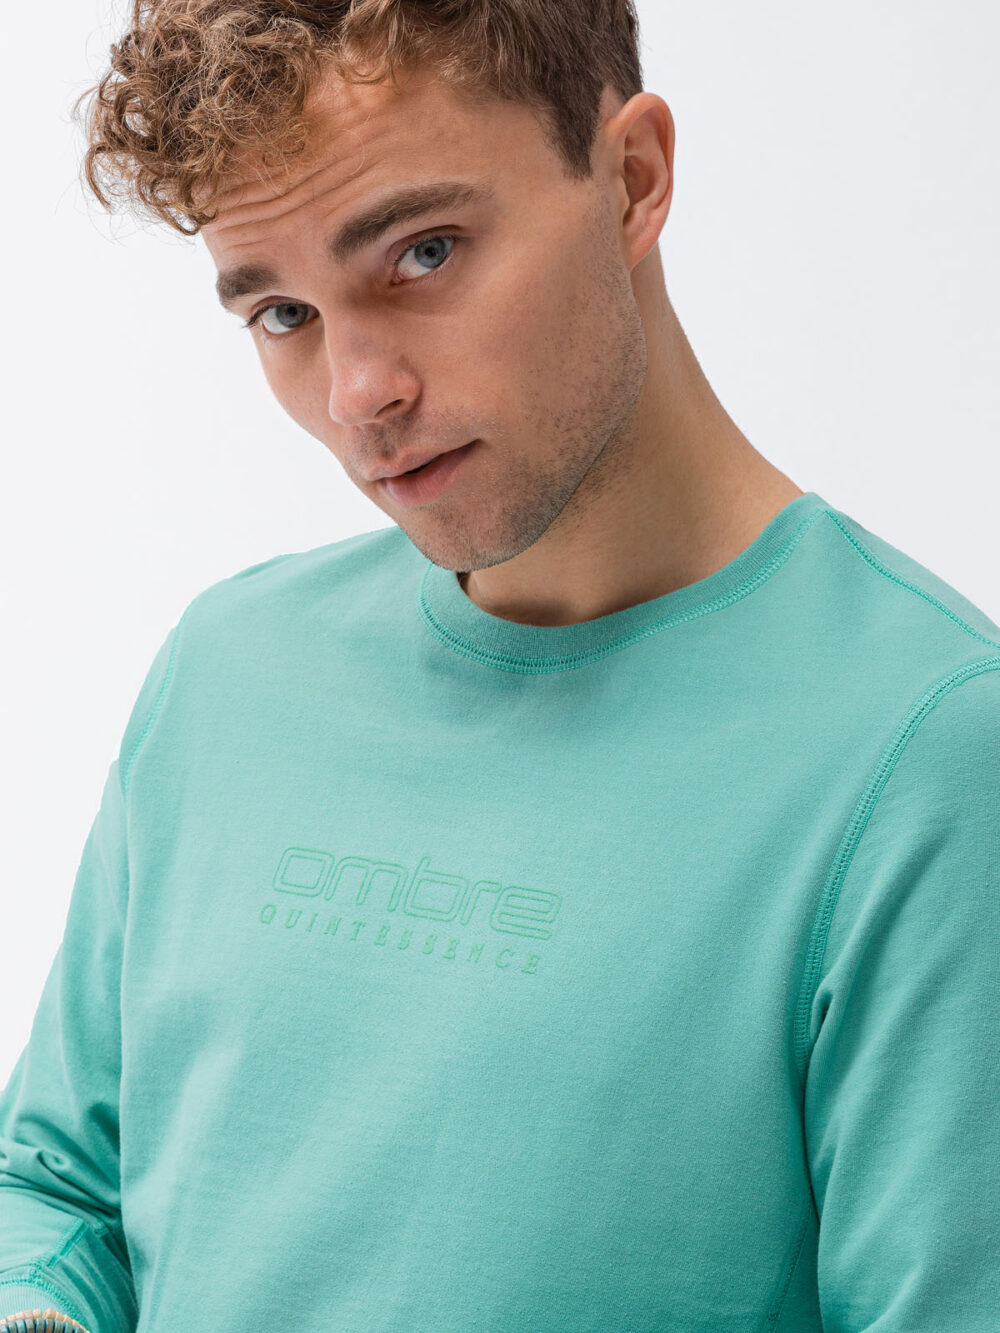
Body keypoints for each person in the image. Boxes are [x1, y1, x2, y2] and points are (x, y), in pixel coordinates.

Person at [1, 1, 997, 1330]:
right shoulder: (226, 672)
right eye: (284, 312)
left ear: (631, 179)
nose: (358, 393)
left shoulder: (930, 751)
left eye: (422, 252)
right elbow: (57, 1186)